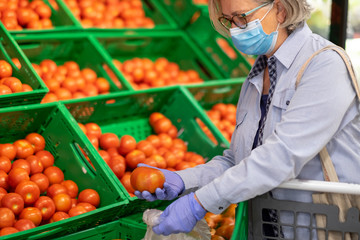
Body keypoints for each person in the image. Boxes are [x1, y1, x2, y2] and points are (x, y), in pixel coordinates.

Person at [135, 0, 360, 238]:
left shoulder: (324, 65)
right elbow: (240, 160)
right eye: (229, 20)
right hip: (267, 230)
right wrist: (183, 180)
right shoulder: (258, 74)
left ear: (281, 10)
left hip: (320, 229)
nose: (235, 29)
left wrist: (199, 203)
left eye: (242, 17)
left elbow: (280, 156)